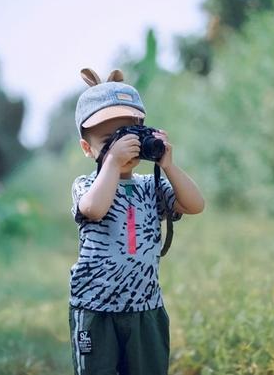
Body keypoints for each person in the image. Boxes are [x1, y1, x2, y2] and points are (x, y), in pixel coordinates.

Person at [69, 68, 205, 375]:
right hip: (95, 307)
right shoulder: (85, 184)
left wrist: (168, 165)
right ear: (87, 148)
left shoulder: (150, 185)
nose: (121, 146)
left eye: (128, 136)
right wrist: (114, 163)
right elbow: (94, 209)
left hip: (146, 307)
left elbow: (195, 205)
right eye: (109, 139)